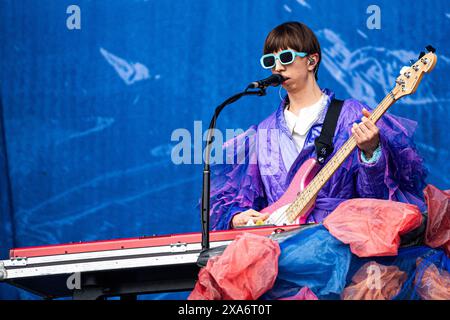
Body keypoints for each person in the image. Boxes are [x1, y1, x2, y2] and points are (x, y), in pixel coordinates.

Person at [209, 21, 427, 230]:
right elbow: (236, 202)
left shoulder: (351, 115)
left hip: (338, 240)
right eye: (270, 61)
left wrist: (371, 152)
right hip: (279, 247)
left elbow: (376, 198)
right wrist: (237, 218)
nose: (277, 67)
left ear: (312, 61)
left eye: (286, 57)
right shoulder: (263, 133)